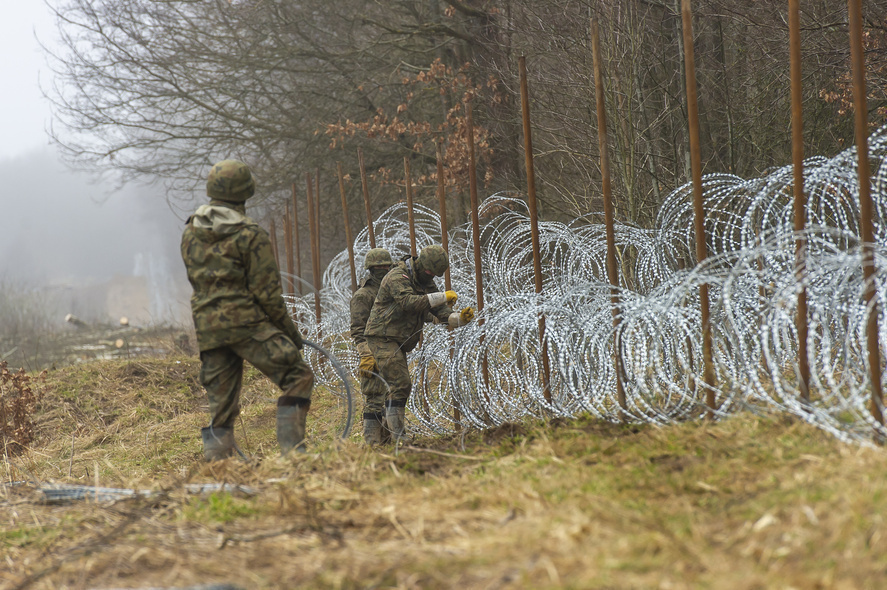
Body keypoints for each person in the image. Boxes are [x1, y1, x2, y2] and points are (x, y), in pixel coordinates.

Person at [181, 159, 314, 461]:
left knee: (222, 408)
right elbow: (267, 295)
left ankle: (218, 473)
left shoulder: (190, 232)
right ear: (246, 191)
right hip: (247, 325)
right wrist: (290, 334)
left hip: (208, 329)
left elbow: (196, 280)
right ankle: (294, 458)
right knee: (298, 375)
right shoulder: (251, 235)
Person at [364, 244, 475, 440]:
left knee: (399, 386)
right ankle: (399, 439)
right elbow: (409, 303)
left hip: (399, 338)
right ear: (420, 264)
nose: (431, 276)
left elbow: (440, 312)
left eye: (435, 274)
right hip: (382, 336)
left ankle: (393, 437)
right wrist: (442, 296)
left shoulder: (426, 281)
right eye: (429, 272)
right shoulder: (397, 276)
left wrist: (459, 319)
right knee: (400, 383)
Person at [350, 248, 394, 445]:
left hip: (392, 352)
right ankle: (372, 444)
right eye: (379, 267)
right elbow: (358, 330)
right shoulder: (363, 296)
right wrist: (366, 355)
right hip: (373, 355)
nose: (383, 269)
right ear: (371, 269)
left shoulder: (391, 290)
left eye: (386, 266)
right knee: (374, 400)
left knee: (392, 398)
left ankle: (387, 442)